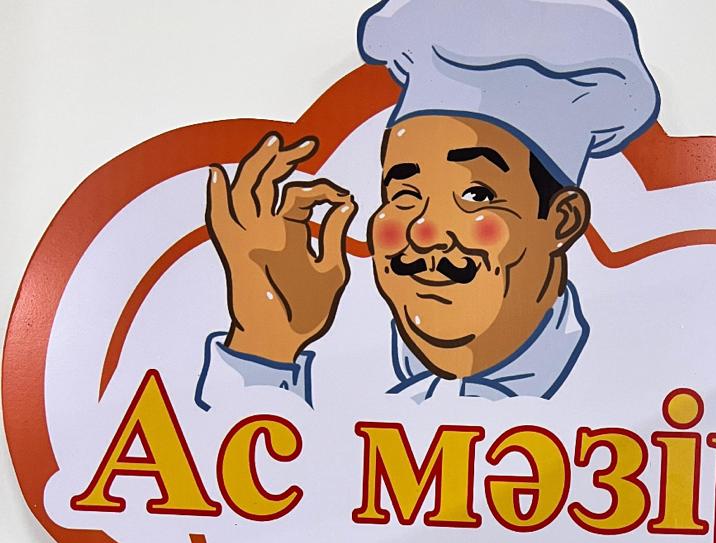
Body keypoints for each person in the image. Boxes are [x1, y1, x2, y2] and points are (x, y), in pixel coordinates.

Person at [197, 0, 659, 405]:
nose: (423, 231)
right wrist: (266, 344)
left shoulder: (637, 387)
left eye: (475, 195)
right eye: (404, 195)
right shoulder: (354, 378)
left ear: (562, 220)